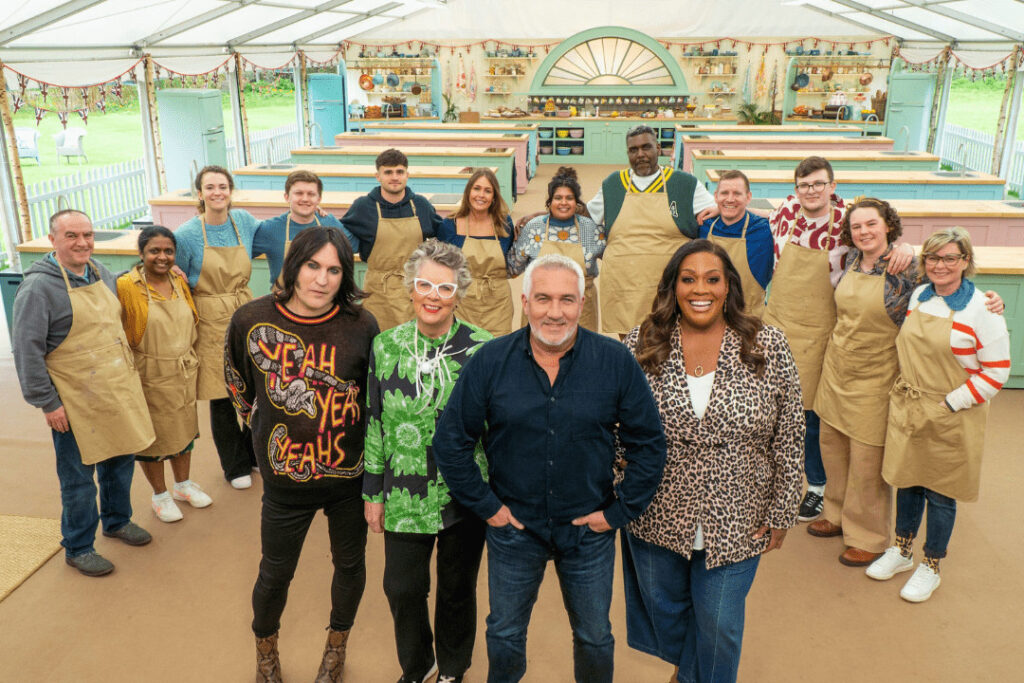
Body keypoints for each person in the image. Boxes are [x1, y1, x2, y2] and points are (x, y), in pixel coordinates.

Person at [433, 254, 667, 683]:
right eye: (543, 298)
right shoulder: (490, 361)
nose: (554, 312)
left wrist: (618, 512)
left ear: (582, 304)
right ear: (525, 302)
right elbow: (451, 442)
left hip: (588, 533)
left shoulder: (615, 361)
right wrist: (488, 507)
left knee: (595, 637)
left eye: (566, 300)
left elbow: (649, 444)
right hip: (514, 531)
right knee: (504, 634)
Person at [621, 239, 804, 683]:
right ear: (673, 287)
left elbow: (790, 432)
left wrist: (782, 510)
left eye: (712, 279)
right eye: (688, 279)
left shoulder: (766, 343)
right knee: (665, 612)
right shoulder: (641, 342)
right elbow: (613, 423)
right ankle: (688, 671)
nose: (700, 289)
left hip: (739, 512)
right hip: (657, 509)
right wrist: (618, 486)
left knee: (720, 624)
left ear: (728, 287)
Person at [225, 226, 379, 683]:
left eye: (334, 270)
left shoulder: (362, 325)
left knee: (349, 567)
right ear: (294, 266)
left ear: (345, 275)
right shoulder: (251, 320)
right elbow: (239, 386)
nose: (321, 279)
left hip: (348, 478)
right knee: (275, 574)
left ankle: (336, 650)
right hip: (285, 480)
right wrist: (263, 434)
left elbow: (372, 400)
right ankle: (266, 653)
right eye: (313, 266)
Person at [364, 239, 493, 683]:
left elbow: (497, 429)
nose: (433, 296)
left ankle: (453, 669)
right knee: (401, 588)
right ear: (410, 288)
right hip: (404, 490)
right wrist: (372, 491)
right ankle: (419, 666)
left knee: (457, 590)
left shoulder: (484, 349)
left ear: (459, 293)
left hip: (465, 493)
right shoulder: (386, 345)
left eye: (445, 288)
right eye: (424, 285)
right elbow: (375, 421)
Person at [761, 157, 914, 524]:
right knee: (772, 411)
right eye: (804, 185)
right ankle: (772, 480)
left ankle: (817, 486)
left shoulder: (848, 220)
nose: (811, 191)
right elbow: (756, 221)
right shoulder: (785, 210)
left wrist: (907, 248)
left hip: (820, 330)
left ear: (832, 186)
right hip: (777, 324)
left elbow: (880, 241)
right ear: (795, 189)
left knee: (812, 416)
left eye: (818, 184)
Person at [868, 228, 1010, 602]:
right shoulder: (920, 296)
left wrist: (950, 404)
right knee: (908, 480)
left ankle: (931, 565)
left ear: (966, 261)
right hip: (911, 405)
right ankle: (902, 550)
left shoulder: (982, 309)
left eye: (950, 258)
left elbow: (997, 372)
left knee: (941, 492)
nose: (940, 265)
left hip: (954, 412)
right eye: (933, 257)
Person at [13, 209, 155, 576]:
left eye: (87, 235)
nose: (82, 243)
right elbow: (27, 351)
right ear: (52, 240)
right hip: (74, 401)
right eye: (71, 236)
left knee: (120, 462)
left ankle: (117, 520)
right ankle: (78, 546)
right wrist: (48, 403)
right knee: (78, 479)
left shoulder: (100, 272)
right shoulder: (38, 288)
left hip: (114, 390)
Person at [807, 199, 919, 566]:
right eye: (856, 227)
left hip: (877, 373)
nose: (864, 232)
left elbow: (950, 287)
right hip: (837, 368)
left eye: (871, 224)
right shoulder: (851, 259)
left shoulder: (908, 266)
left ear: (888, 226)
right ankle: (836, 513)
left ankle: (868, 536)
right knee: (833, 446)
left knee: (867, 459)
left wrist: (991, 303)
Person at [116, 226, 211, 523]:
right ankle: (160, 495)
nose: (162, 257)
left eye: (168, 251)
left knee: (184, 429)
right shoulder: (126, 286)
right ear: (141, 253)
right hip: (150, 373)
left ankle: (183, 485)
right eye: (154, 251)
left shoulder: (179, 281)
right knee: (154, 438)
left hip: (183, 370)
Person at [587, 125, 718, 335]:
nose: (640, 154)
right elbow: (587, 218)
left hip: (669, 282)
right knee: (630, 341)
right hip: (624, 284)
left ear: (658, 148)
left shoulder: (683, 184)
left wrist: (721, 207)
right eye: (633, 150)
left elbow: (718, 211)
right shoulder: (613, 185)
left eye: (646, 147)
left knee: (670, 340)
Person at [176, 165, 259, 489]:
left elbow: (277, 234)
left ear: (230, 191)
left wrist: (313, 214)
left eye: (222, 186)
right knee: (221, 394)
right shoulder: (187, 234)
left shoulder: (245, 222)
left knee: (255, 387)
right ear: (199, 193)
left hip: (244, 311)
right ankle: (235, 466)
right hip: (209, 316)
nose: (217, 193)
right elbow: (173, 273)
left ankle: (253, 453)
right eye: (210, 187)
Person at [343, 148, 443, 331]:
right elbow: (340, 239)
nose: (395, 177)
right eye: (388, 172)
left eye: (399, 172)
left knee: (415, 338)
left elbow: (444, 235)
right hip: (378, 292)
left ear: (407, 175)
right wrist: (323, 217)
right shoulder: (363, 207)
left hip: (414, 288)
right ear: (378, 176)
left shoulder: (421, 205)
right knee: (378, 340)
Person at [509, 167, 604, 331]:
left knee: (581, 347)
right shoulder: (533, 228)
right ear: (549, 202)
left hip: (582, 311)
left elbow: (613, 256)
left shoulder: (591, 230)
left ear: (577, 202)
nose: (563, 203)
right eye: (558, 198)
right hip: (540, 309)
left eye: (569, 198)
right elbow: (513, 268)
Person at [436, 168, 515, 336]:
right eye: (476, 189)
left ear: (494, 196)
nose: (481, 195)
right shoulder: (450, 225)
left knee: (498, 347)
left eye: (488, 191)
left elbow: (512, 258)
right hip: (462, 303)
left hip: (498, 303)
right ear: (468, 192)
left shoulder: (504, 223)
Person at [252, 169, 361, 289]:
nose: (305, 199)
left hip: (322, 296)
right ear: (287, 197)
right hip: (284, 298)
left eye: (311, 194)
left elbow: (354, 246)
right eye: (299, 193)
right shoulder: (270, 229)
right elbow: (244, 251)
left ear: (319, 199)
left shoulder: (330, 223)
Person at [698, 170, 773, 317]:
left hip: (750, 319)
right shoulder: (703, 226)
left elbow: (799, 215)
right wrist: (724, 208)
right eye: (724, 193)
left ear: (748, 197)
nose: (730, 199)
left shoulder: (765, 229)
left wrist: (730, 208)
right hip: (710, 317)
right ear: (716, 196)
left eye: (737, 194)